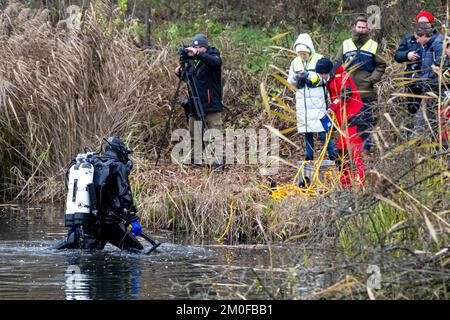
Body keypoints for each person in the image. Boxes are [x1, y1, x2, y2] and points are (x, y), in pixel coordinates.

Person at [54, 137, 147, 254]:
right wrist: (132, 220)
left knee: (87, 252)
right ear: (121, 151)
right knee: (137, 251)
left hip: (89, 223)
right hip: (110, 224)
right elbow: (124, 195)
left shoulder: (92, 163)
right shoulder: (118, 166)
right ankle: (133, 271)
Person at [335, 15, 386, 153]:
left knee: (366, 121)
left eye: (364, 27)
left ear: (368, 29)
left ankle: (366, 149)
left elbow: (381, 65)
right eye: (359, 27)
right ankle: (350, 148)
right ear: (354, 27)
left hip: (365, 91)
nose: (361, 30)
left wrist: (371, 80)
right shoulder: (345, 44)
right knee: (349, 121)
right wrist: (341, 85)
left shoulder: (373, 45)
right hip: (348, 92)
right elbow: (337, 65)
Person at [174, 33, 224, 170]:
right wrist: (180, 74)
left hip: (210, 105)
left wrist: (197, 54)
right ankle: (196, 161)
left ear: (205, 48)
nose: (198, 49)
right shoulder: (192, 61)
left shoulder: (213, 56)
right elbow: (192, 80)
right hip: (195, 106)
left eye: (201, 47)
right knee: (194, 135)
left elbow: (215, 62)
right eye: (196, 47)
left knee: (213, 135)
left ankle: (216, 163)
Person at [316, 58, 367, 189]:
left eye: (322, 74)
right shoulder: (331, 80)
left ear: (327, 72)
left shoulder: (341, 77)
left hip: (354, 120)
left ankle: (360, 185)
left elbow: (347, 93)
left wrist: (333, 107)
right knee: (341, 155)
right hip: (344, 123)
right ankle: (346, 186)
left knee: (354, 154)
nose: (321, 76)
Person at [287, 33, 337, 164]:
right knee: (307, 131)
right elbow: (290, 82)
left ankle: (333, 155)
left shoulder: (319, 59)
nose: (302, 56)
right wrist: (296, 78)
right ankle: (309, 157)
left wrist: (309, 75)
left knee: (322, 130)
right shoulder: (295, 62)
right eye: (300, 53)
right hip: (302, 103)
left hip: (317, 102)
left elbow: (326, 78)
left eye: (304, 53)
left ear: (309, 50)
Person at [394, 11, 435, 133]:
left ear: (431, 24)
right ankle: (410, 139)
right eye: (420, 23)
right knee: (412, 112)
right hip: (412, 82)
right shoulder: (409, 39)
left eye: (425, 23)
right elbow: (397, 55)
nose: (422, 26)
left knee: (432, 112)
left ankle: (433, 140)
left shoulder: (437, 39)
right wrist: (407, 55)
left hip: (430, 82)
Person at [413, 21, 443, 135]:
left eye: (417, 38)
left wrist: (421, 80)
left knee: (423, 123)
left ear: (424, 35)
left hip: (438, 91)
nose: (417, 41)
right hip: (429, 90)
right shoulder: (427, 46)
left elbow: (440, 68)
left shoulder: (439, 44)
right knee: (424, 122)